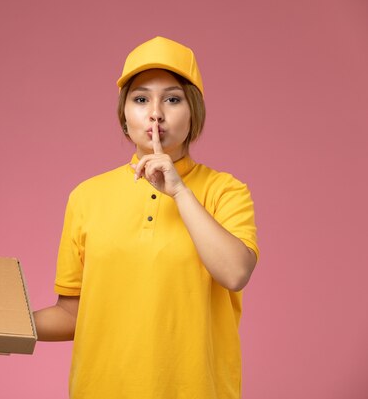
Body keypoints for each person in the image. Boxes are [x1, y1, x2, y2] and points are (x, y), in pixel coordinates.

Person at [33, 36, 259, 399]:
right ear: (124, 116)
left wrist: (180, 192)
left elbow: (235, 273)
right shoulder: (87, 196)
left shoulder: (225, 190)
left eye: (172, 98)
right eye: (140, 99)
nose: (155, 112)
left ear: (193, 112)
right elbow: (73, 315)